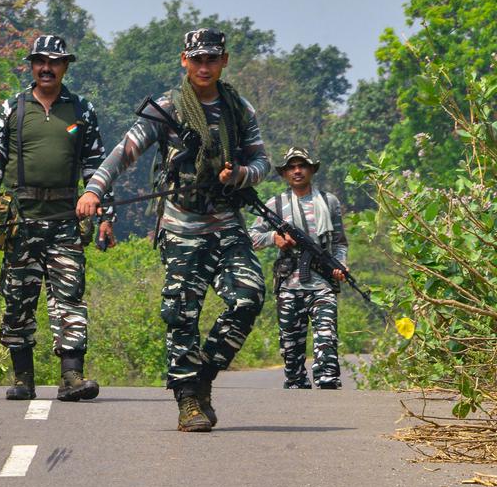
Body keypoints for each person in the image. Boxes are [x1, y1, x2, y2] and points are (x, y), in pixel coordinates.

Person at [78, 29, 270, 432]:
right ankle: (188, 402)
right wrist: (95, 189)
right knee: (182, 315)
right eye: (197, 59)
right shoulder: (168, 109)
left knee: (249, 297)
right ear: (184, 60)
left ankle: (202, 377)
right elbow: (123, 153)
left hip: (227, 224)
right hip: (182, 227)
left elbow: (262, 164)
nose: (204, 66)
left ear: (224, 61)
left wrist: (240, 175)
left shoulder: (238, 108)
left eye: (212, 59)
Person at [0, 35, 115, 402]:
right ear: (31, 65)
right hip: (21, 221)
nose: (46, 68)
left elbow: (96, 166)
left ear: (65, 66)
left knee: (70, 298)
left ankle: (72, 378)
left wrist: (106, 213)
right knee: (18, 298)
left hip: (66, 220)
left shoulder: (81, 111)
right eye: (40, 62)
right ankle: (23, 379)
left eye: (55, 62)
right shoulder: (12, 109)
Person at [249, 147, 348, 389]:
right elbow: (251, 236)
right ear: (284, 173)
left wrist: (341, 266)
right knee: (291, 349)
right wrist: (274, 237)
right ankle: (296, 389)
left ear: (311, 170)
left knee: (326, 337)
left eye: (302, 165)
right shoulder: (276, 204)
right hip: (289, 285)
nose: (297, 171)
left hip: (322, 284)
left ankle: (328, 383)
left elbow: (339, 243)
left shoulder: (329, 202)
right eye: (292, 167)